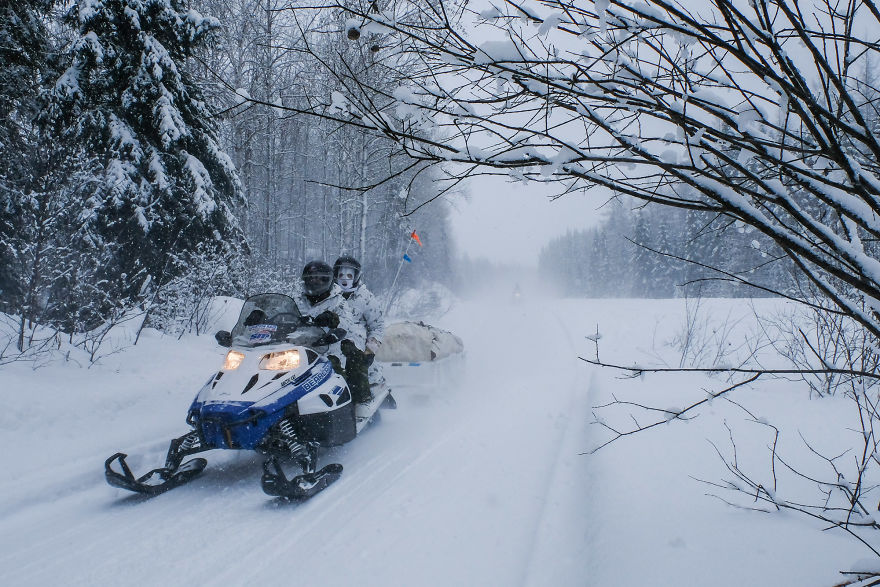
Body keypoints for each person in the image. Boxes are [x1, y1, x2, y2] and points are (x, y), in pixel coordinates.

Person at [333, 255, 385, 402]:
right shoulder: (327, 295)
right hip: (329, 342)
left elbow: (378, 325)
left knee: (353, 365)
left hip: (356, 345)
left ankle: (360, 400)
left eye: (349, 275)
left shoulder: (365, 297)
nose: (345, 278)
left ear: (356, 276)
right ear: (335, 275)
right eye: (341, 274)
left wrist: (370, 350)